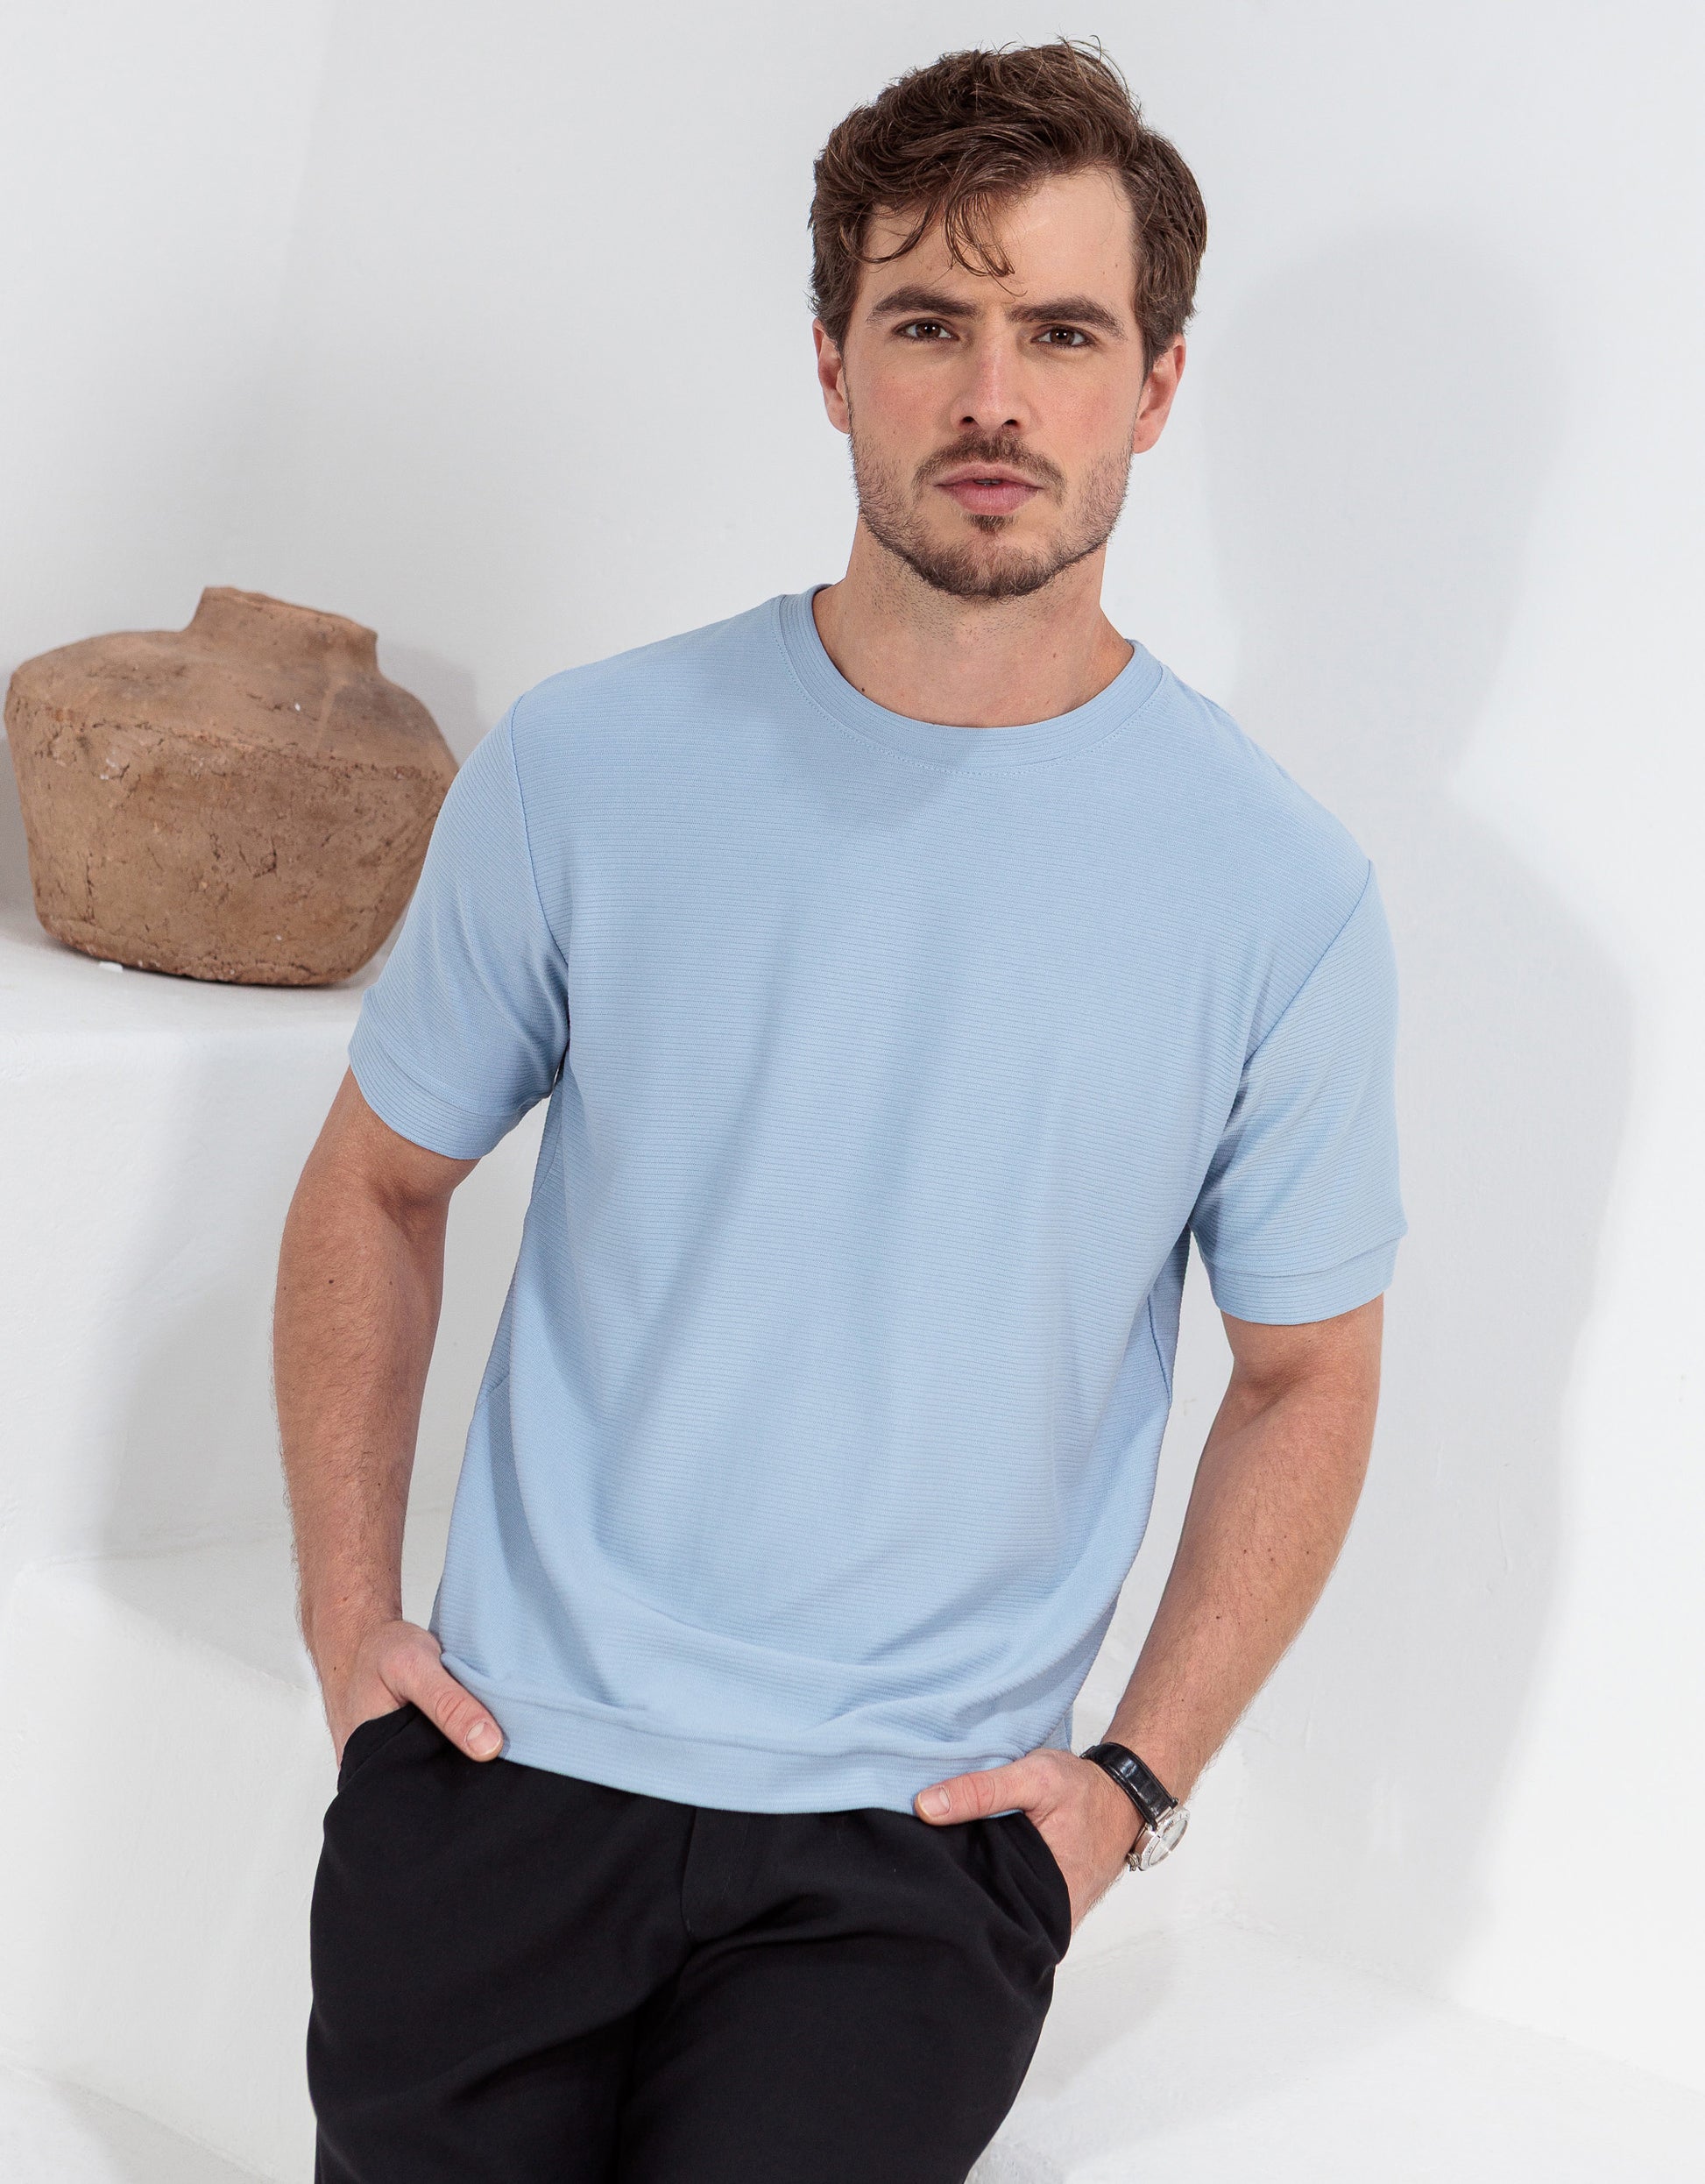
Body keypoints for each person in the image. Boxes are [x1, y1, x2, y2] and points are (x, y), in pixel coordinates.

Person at [275, 37, 1406, 2184]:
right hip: (504, 1771)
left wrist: (1126, 1793)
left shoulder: (1276, 893)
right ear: (831, 362)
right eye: (927, 323)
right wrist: (350, 1628)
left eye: (1060, 333)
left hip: (914, 1847)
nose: (993, 398)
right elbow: (376, 1183)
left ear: (1155, 385)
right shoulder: (589, 765)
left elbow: (1307, 1376)